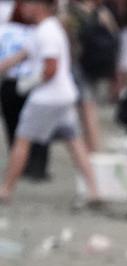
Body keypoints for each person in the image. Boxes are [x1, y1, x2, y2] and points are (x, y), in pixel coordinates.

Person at [0, 0, 99, 203]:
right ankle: (94, 190)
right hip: (64, 95)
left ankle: (6, 189)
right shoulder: (46, 29)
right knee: (74, 141)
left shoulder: (47, 32)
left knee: (22, 140)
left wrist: (28, 83)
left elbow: (50, 68)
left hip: (47, 97)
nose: (23, 9)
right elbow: (22, 55)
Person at [0, 0, 50, 180]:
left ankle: (22, 166)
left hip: (16, 82)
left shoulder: (39, 30)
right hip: (27, 82)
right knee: (31, 129)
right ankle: (32, 167)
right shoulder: (38, 31)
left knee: (18, 129)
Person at [64, 0, 119, 152]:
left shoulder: (72, 11)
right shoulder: (102, 11)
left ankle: (91, 147)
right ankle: (91, 145)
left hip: (79, 62)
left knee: (86, 106)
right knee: (88, 105)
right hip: (96, 64)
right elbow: (114, 34)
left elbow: (69, 38)